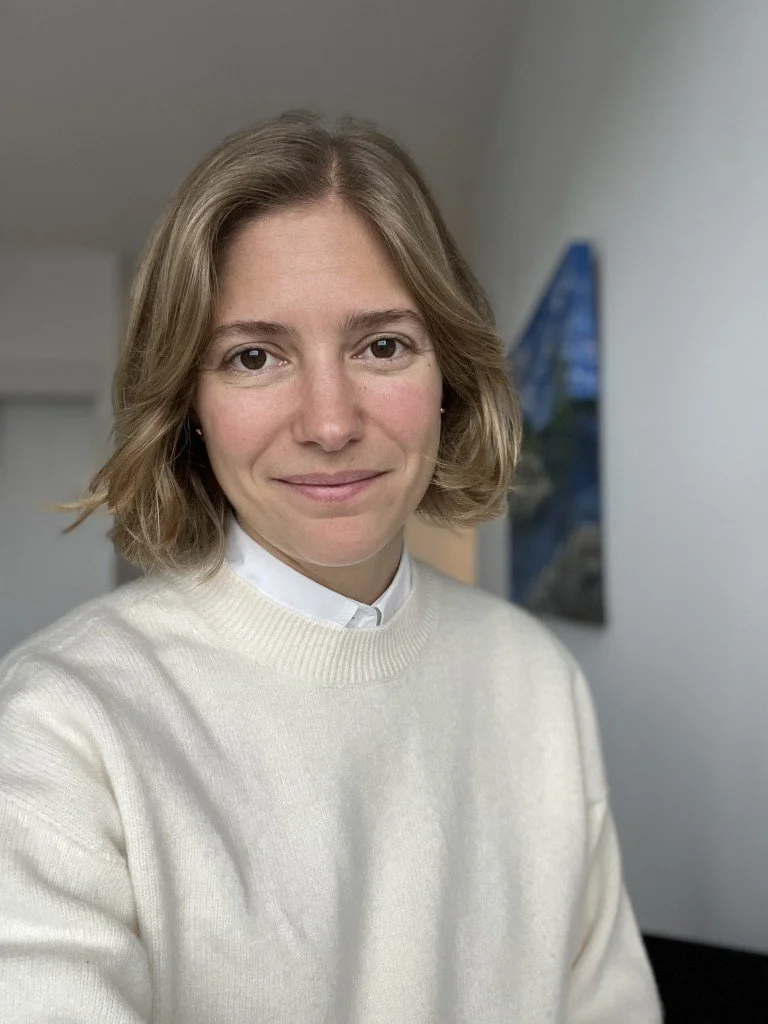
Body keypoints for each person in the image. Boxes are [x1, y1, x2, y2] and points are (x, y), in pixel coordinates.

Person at [0, 110, 662, 1023]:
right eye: (255, 356)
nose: (329, 421)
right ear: (188, 404)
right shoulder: (59, 727)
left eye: (382, 345)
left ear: (449, 378)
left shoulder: (534, 678)